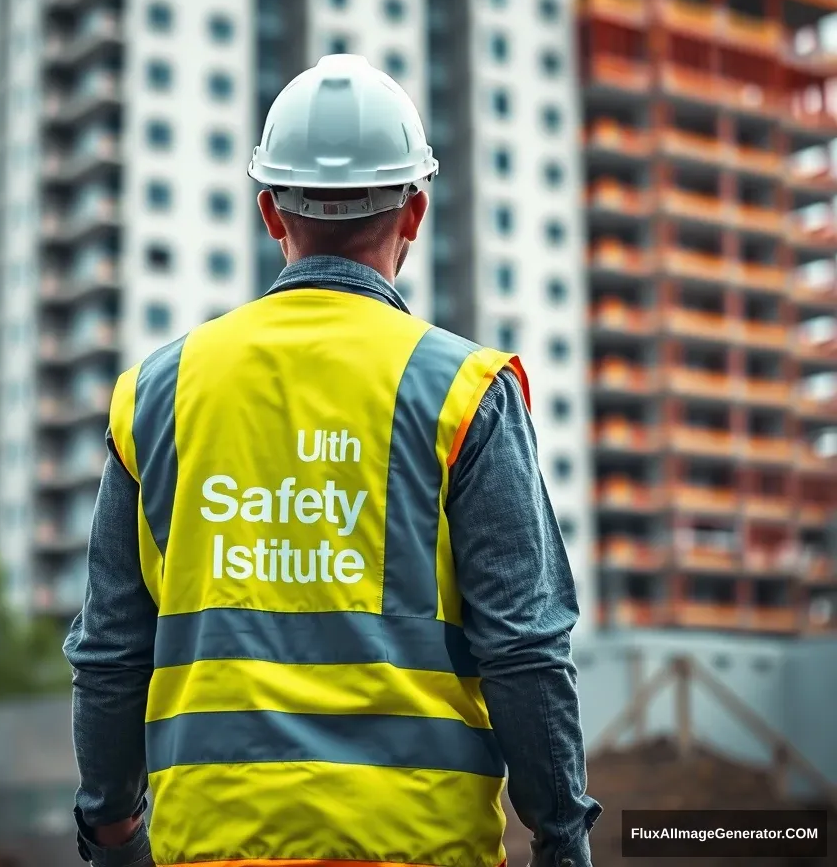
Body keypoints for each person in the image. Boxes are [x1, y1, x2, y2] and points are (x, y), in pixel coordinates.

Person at [64, 54, 601, 867]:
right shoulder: (462, 391)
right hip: (418, 848)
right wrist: (563, 843)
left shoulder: (156, 396)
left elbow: (111, 651)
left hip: (211, 846)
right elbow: (525, 650)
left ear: (269, 213)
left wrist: (110, 832)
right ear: (415, 211)